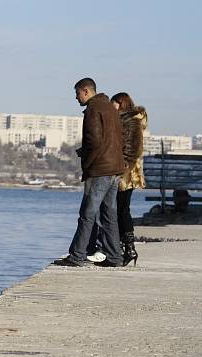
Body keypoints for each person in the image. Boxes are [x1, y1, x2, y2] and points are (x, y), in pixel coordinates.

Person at [56, 78, 126, 267]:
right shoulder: (110, 108)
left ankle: (77, 255)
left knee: (87, 213)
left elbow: (94, 141)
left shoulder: (93, 110)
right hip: (115, 168)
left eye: (77, 93)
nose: (76, 98)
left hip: (100, 169)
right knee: (108, 214)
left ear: (86, 91)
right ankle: (114, 257)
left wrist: (86, 162)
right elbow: (118, 138)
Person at [111, 92, 147, 266]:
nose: (112, 108)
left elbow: (132, 149)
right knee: (122, 209)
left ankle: (128, 248)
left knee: (121, 209)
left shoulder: (130, 121)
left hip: (126, 173)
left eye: (114, 104)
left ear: (121, 103)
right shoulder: (131, 120)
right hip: (129, 172)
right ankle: (126, 248)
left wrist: (121, 170)